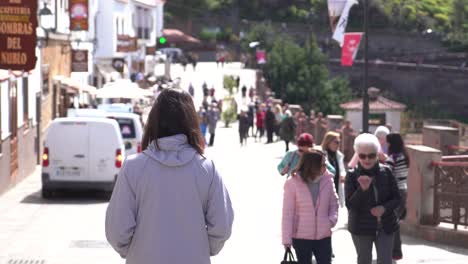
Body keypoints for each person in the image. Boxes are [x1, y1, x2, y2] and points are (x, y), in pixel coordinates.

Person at [105, 88, 234, 263]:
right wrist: (200, 247)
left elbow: (117, 229)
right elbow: (221, 226)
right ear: (191, 121)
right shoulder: (207, 168)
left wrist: (137, 249)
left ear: (154, 121)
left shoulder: (133, 167)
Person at [345, 133, 401, 264]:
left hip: (386, 225)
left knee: (385, 261)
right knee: (364, 260)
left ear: (377, 154)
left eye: (371, 155)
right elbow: (350, 205)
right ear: (357, 155)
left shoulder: (386, 171)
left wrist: (384, 208)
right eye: (362, 156)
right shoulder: (352, 175)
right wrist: (362, 190)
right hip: (361, 227)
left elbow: (397, 198)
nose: (367, 159)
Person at [282, 151, 339, 264]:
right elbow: (288, 213)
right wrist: (286, 240)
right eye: (323, 164)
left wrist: (331, 220)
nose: (326, 167)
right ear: (312, 165)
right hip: (301, 237)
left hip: (324, 236)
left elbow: (334, 203)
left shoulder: (328, 180)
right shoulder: (292, 183)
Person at [385, 133, 410, 261]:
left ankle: (394, 252)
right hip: (403, 191)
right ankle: (395, 252)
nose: (385, 144)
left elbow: (387, 175)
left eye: (387, 142)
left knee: (392, 224)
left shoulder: (393, 158)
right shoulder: (404, 156)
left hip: (395, 193)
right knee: (395, 223)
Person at [320, 132, 347, 207]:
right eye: (336, 142)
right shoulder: (321, 154)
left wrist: (343, 175)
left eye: (339, 142)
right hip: (324, 190)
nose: (338, 145)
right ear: (328, 142)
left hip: (336, 190)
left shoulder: (339, 155)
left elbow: (342, 170)